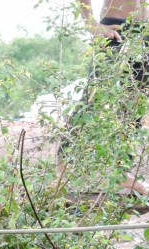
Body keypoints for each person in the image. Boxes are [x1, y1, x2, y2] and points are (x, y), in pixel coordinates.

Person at [66, 0, 149, 196]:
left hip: (144, 31)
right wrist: (91, 24)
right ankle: (62, 169)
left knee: (134, 104)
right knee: (93, 98)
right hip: (115, 26)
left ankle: (122, 173)